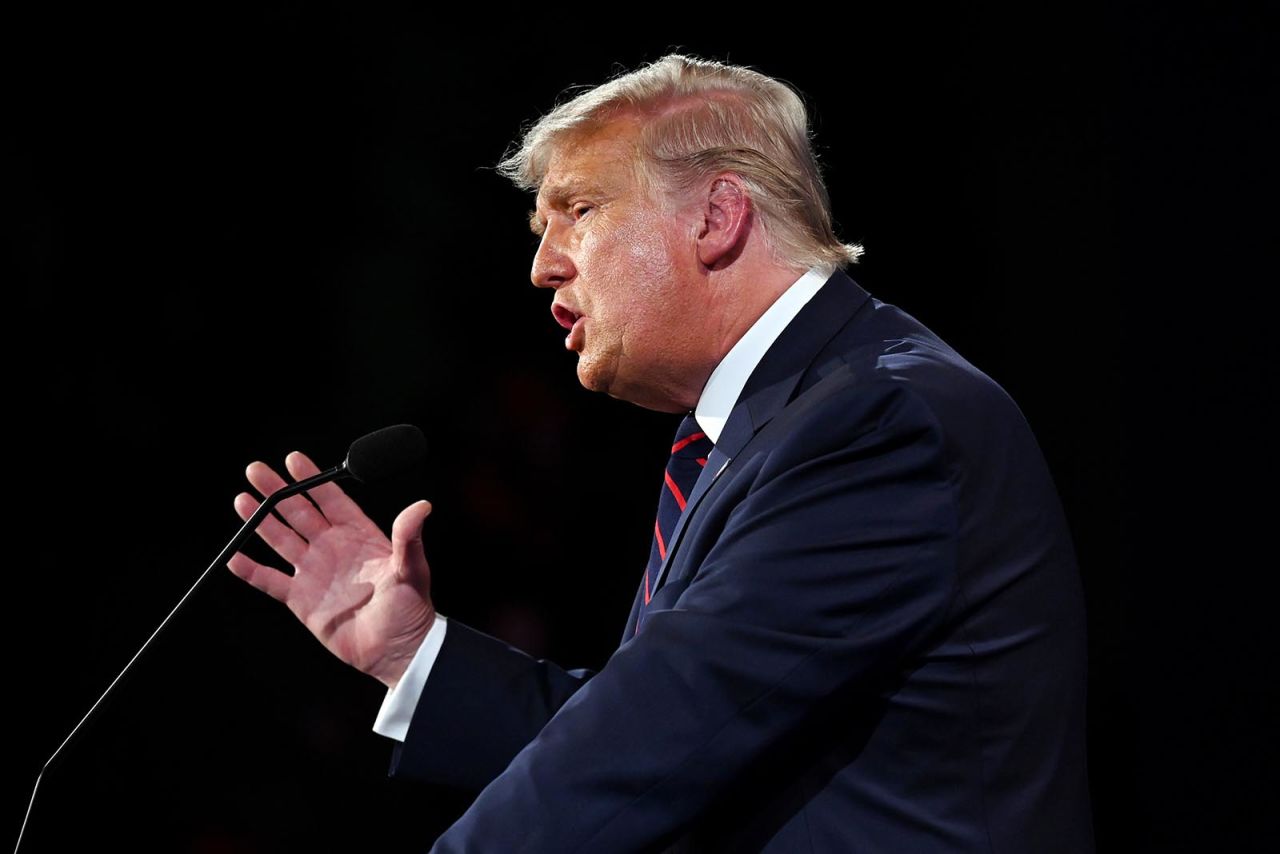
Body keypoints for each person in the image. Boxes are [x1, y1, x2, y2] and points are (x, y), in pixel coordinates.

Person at [228, 54, 1094, 852]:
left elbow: (652, 744)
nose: (541, 266)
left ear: (718, 216)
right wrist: (411, 655)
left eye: (580, 210)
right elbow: (666, 740)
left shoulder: (877, 422)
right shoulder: (772, 425)